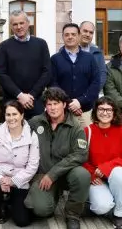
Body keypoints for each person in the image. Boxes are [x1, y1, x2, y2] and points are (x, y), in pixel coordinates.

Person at [25, 87, 89, 229]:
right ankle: (53, 196)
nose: (53, 108)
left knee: (82, 175)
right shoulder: (35, 122)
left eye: (56, 103)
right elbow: (18, 134)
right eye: (49, 104)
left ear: (64, 104)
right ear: (45, 106)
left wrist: (53, 174)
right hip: (42, 175)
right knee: (41, 210)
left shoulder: (76, 127)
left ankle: (72, 214)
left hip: (66, 174)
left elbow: (80, 154)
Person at [0, 100, 39, 226]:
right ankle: (2, 204)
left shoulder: (31, 135)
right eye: (8, 115)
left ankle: (11, 202)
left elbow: (33, 165)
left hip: (20, 179)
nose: (11, 118)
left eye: (15, 114)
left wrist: (13, 181)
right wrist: (0, 178)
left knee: (22, 221)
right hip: (0, 177)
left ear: (22, 115)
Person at [83, 96, 122, 229]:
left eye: (108, 109)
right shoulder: (87, 131)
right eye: (101, 109)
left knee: (121, 173)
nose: (105, 113)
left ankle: (119, 212)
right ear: (95, 111)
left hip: (115, 176)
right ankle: (97, 203)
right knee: (101, 207)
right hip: (96, 177)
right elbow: (81, 159)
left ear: (114, 112)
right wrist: (93, 174)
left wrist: (106, 167)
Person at [0, 10, 51, 119]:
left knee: (37, 135)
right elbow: (2, 74)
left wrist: (31, 95)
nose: (19, 27)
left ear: (28, 23)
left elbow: (47, 72)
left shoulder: (41, 44)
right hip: (12, 103)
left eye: (21, 23)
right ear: (11, 27)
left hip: (35, 102)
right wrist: (20, 95)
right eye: (15, 24)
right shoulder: (4, 46)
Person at [51, 23, 100, 128]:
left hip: (85, 111)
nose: (70, 37)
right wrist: (69, 103)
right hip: (62, 112)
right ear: (63, 37)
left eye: (73, 34)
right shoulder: (55, 59)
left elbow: (95, 83)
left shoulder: (89, 58)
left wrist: (80, 101)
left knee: (86, 141)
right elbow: (53, 84)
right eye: (67, 34)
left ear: (78, 36)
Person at [79, 21, 107, 91]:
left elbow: (102, 74)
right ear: (79, 31)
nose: (88, 34)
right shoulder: (67, 50)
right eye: (85, 31)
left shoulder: (98, 53)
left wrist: (92, 92)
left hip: (91, 97)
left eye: (91, 32)